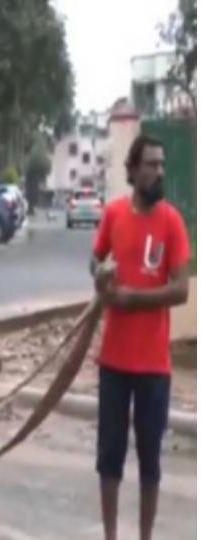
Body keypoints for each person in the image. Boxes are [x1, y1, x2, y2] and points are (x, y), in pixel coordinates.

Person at [90, 134, 190, 540]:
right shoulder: (113, 214)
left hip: (153, 369)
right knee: (109, 460)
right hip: (113, 363)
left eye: (162, 164)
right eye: (151, 164)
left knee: (150, 463)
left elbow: (181, 289)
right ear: (132, 172)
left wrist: (134, 299)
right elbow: (96, 260)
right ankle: (111, 536)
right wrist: (100, 274)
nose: (159, 171)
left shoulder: (172, 222)